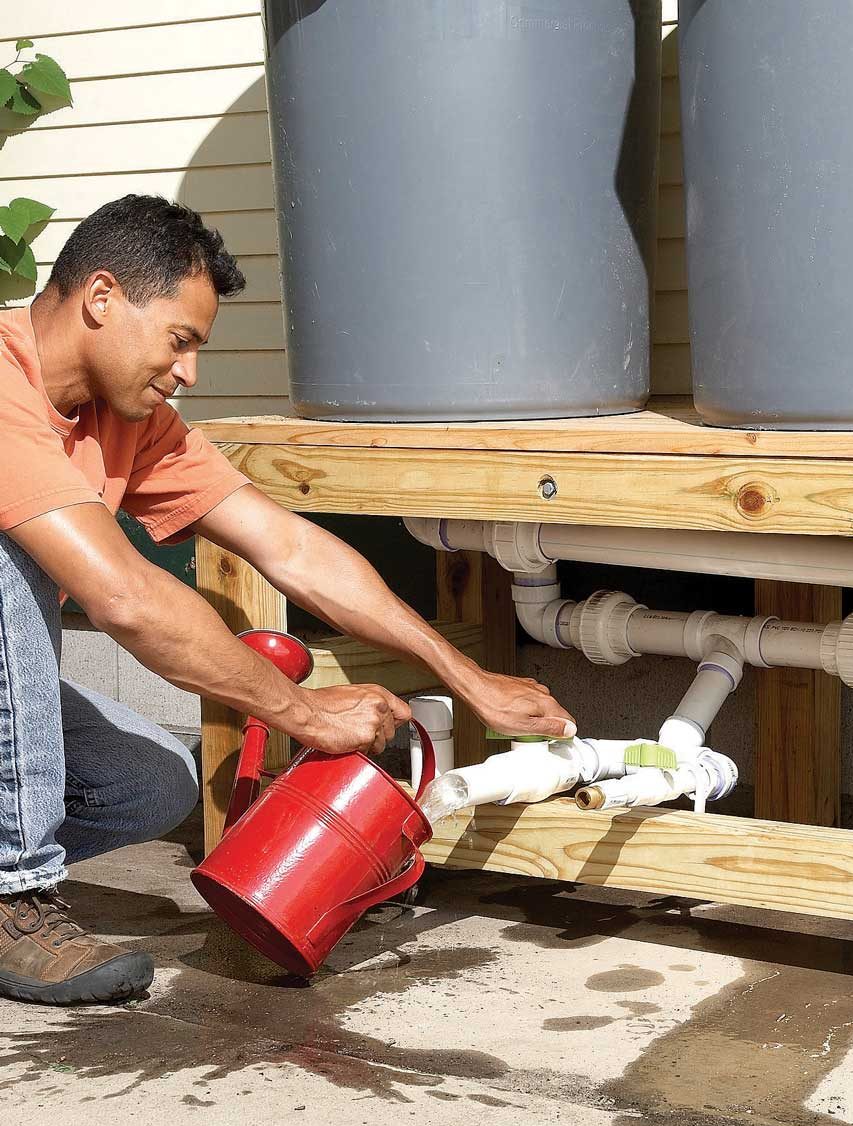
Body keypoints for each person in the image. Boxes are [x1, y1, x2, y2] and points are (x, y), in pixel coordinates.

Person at [0, 195, 575, 1006]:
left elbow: (291, 548)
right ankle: (11, 898)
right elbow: (124, 596)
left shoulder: (129, 419)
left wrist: (465, 676)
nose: (188, 372)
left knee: (148, 782)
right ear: (101, 299)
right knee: (8, 553)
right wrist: (305, 712)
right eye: (179, 341)